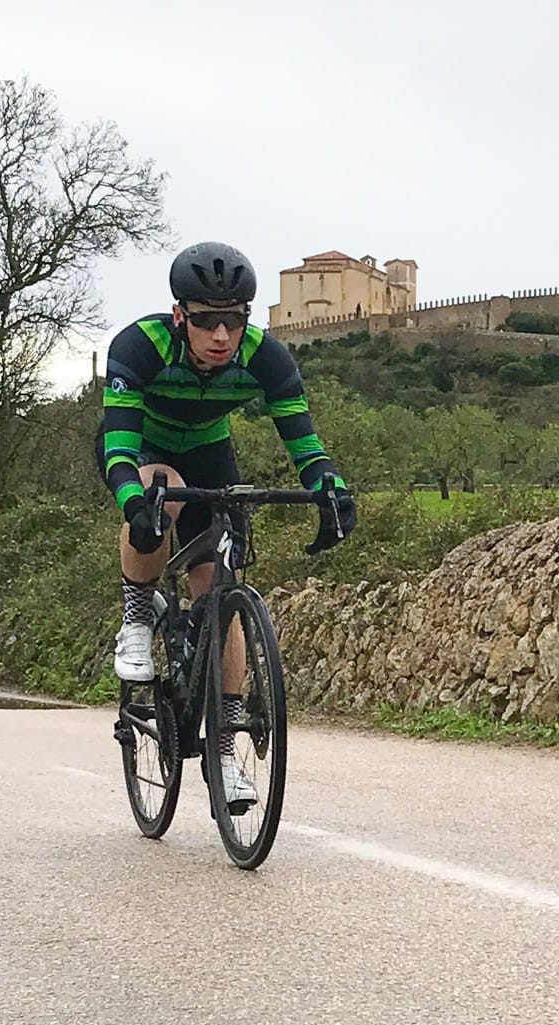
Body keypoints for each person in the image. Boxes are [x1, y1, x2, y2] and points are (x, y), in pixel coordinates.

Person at [97, 241, 356, 807]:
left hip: (211, 450)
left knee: (219, 587)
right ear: (179, 317)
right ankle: (137, 618)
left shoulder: (267, 357)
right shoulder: (140, 347)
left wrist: (330, 489)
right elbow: (118, 447)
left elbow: (306, 447)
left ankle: (222, 746)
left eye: (233, 321)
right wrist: (132, 501)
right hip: (145, 447)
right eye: (207, 321)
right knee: (156, 491)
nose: (221, 336)